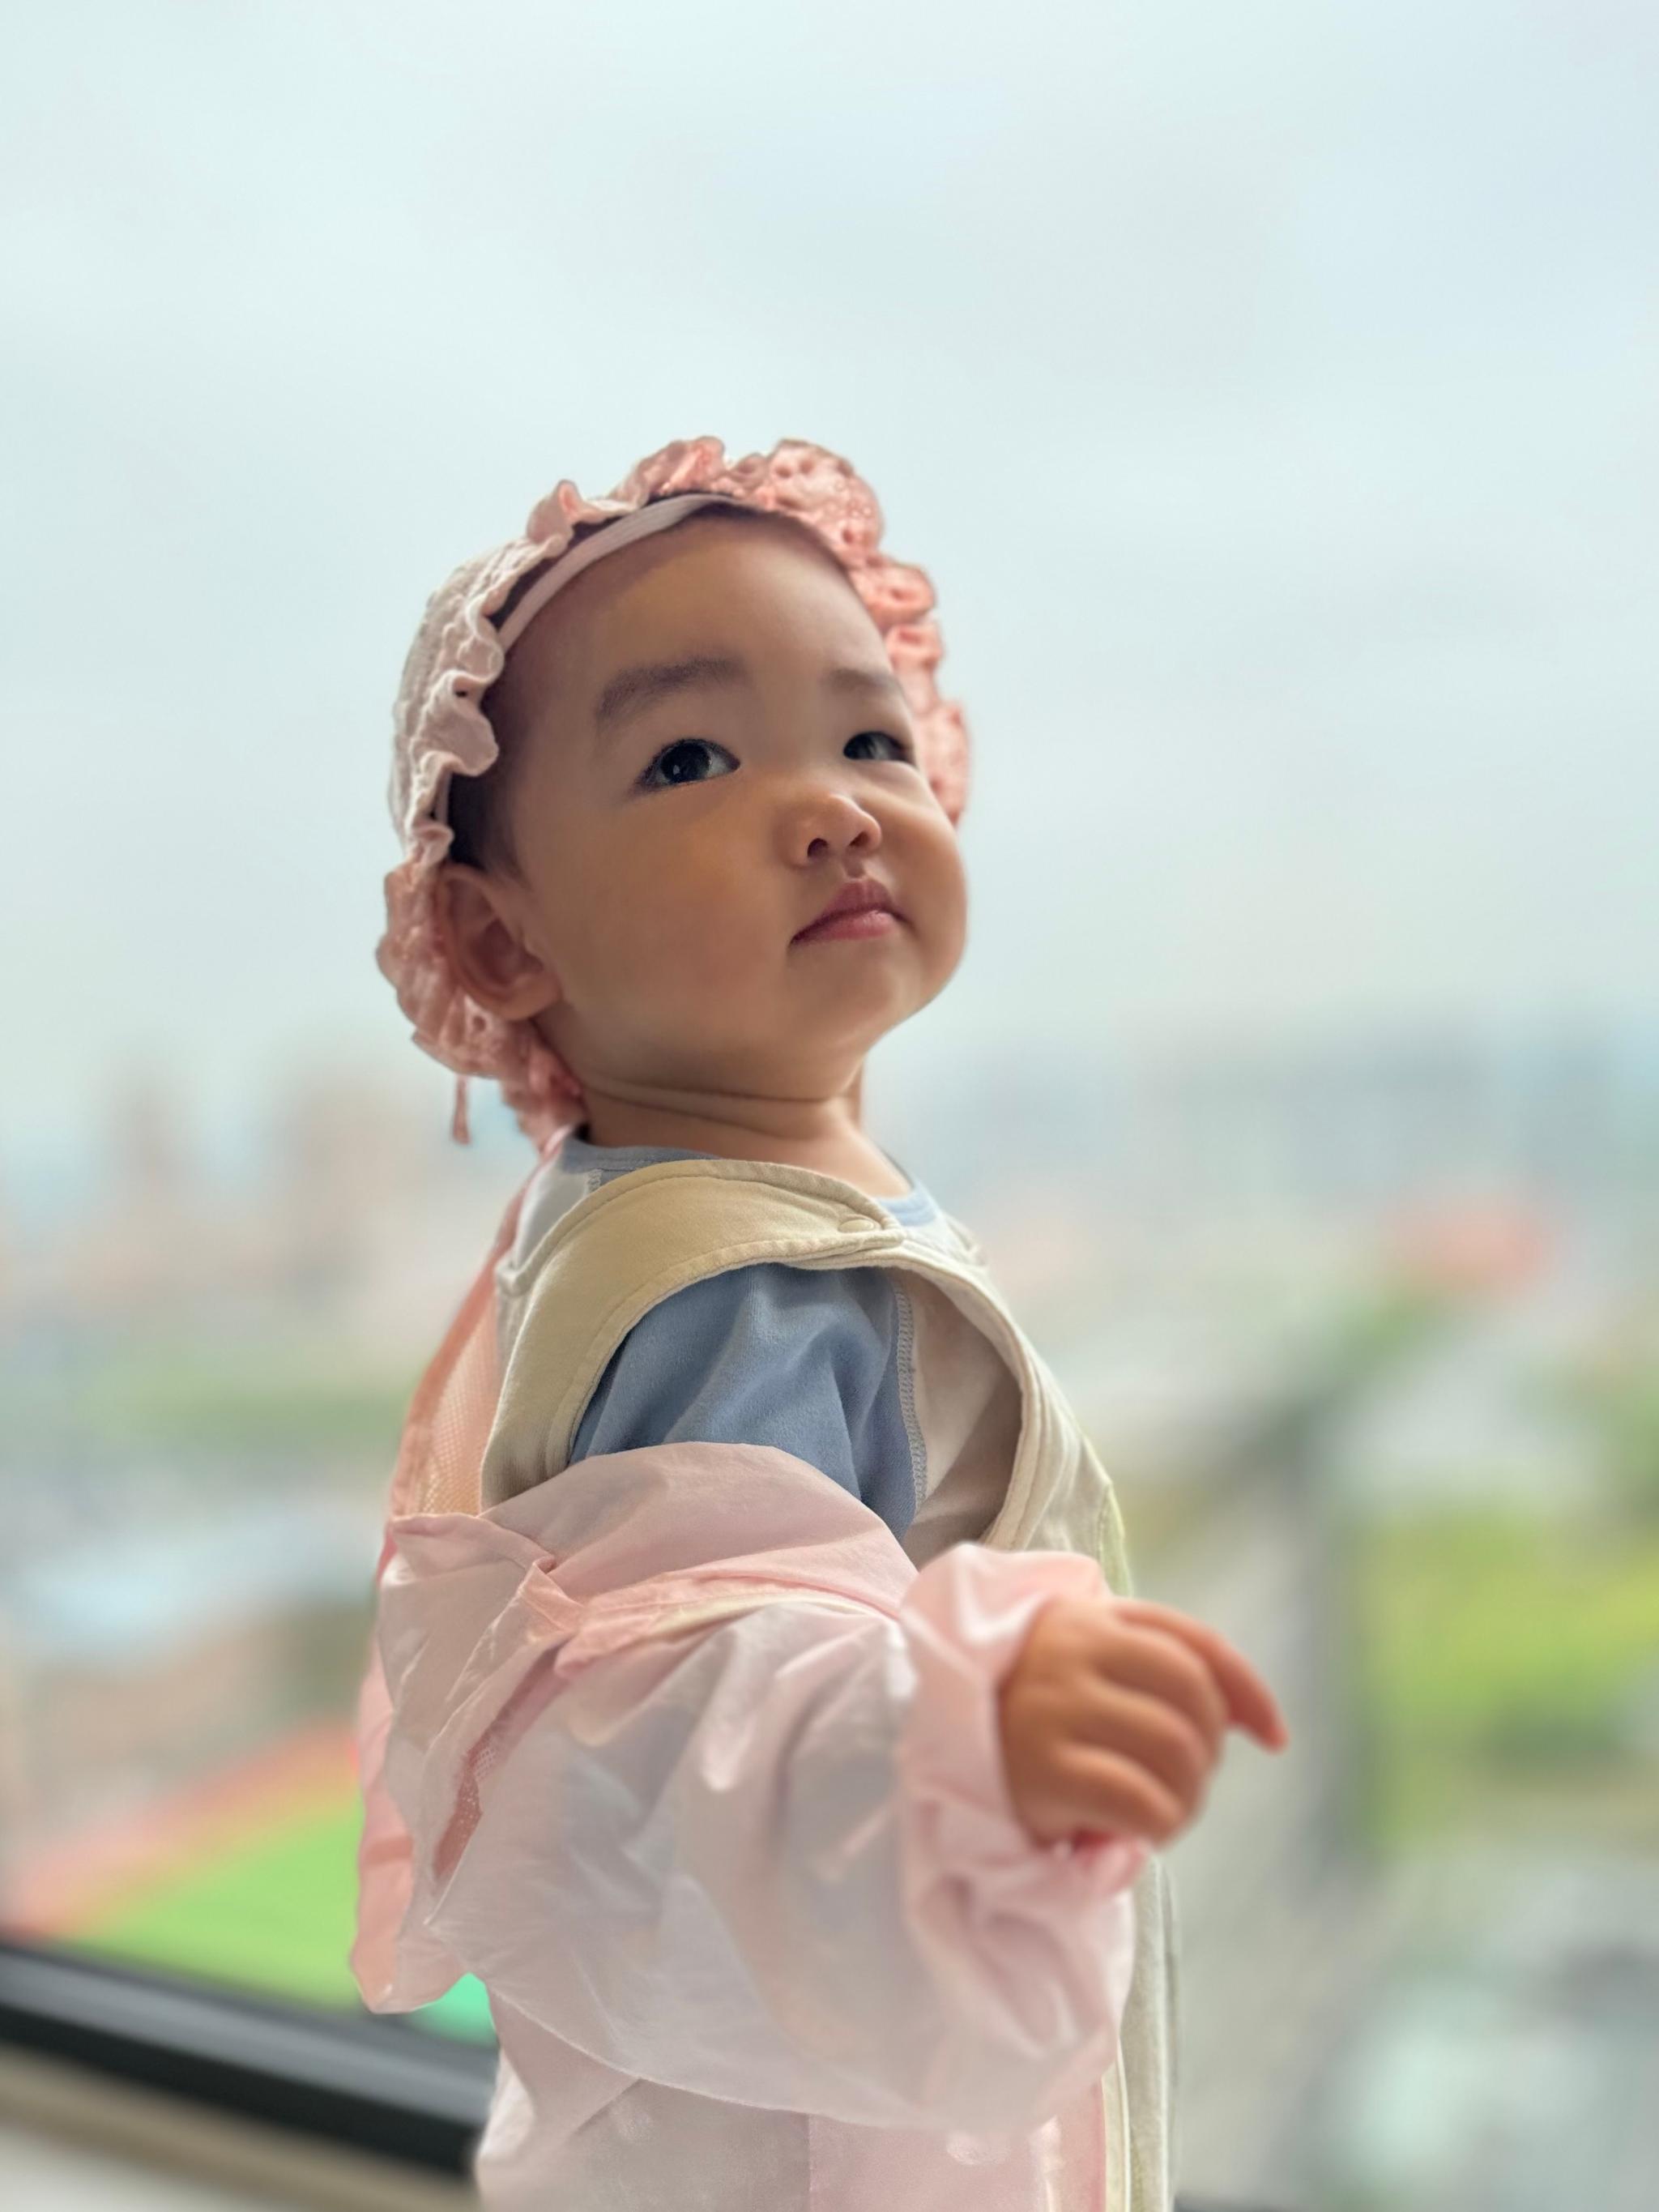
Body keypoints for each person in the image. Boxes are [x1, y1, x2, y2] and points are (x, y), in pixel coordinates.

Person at [349, 433, 1290, 2212]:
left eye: (870, 738)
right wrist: (949, 1742)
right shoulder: (742, 1300)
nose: (836, 803)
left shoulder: (666, 1203)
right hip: (829, 2127)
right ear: (493, 938)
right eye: (691, 756)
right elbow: (689, 1701)